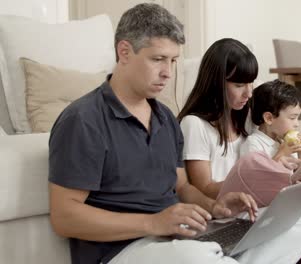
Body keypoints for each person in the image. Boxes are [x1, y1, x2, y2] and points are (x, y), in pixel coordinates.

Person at [48, 4, 258, 264]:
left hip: (175, 241)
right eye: (158, 59)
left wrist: (214, 207)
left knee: (294, 226)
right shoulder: (84, 119)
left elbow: (181, 186)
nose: (168, 72)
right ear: (124, 51)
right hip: (120, 251)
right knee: (200, 256)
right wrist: (154, 223)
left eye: (173, 60)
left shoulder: (165, 118)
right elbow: (64, 217)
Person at [178, 38, 301, 264]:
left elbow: (274, 140)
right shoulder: (194, 125)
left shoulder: (245, 119)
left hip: (250, 212)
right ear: (216, 83)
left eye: (251, 83)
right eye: (239, 85)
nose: (248, 93)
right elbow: (203, 188)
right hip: (218, 216)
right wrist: (254, 180)